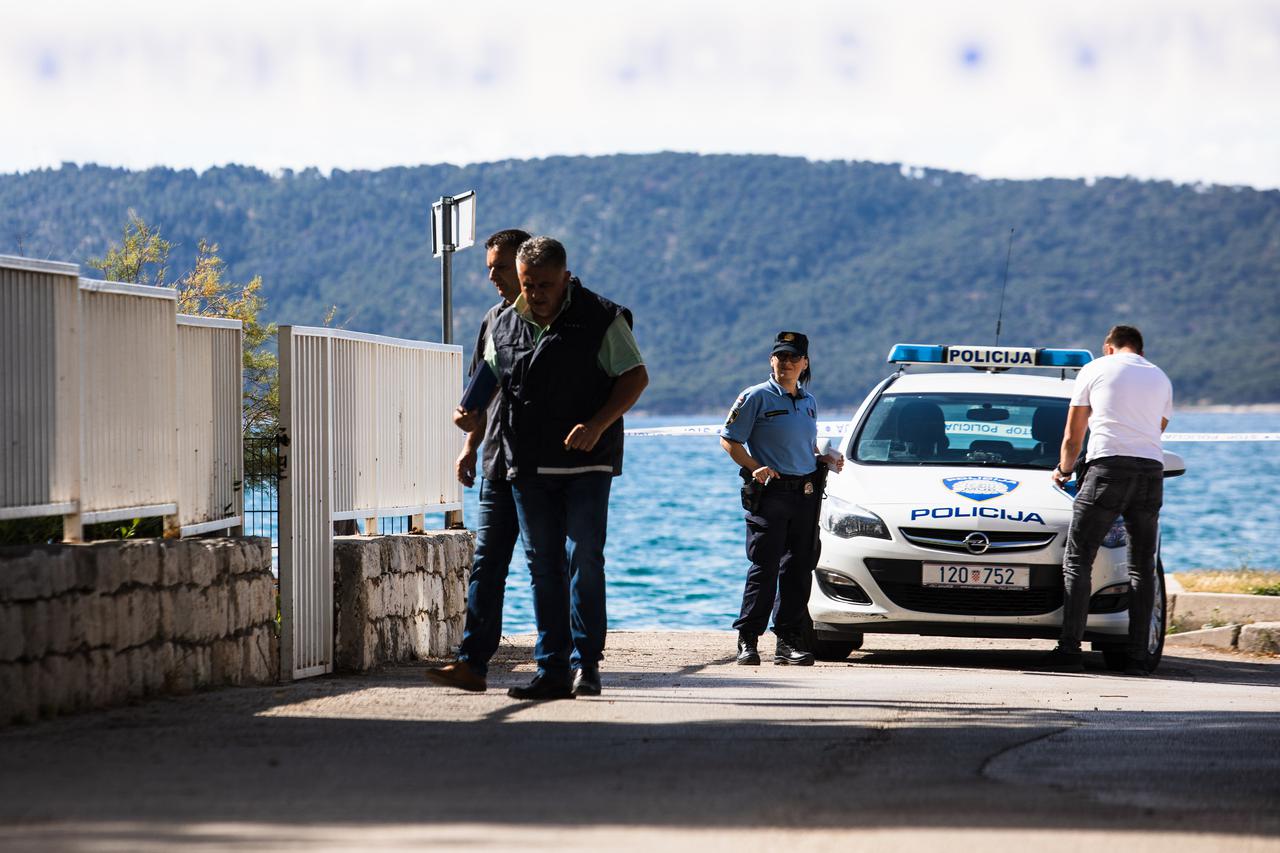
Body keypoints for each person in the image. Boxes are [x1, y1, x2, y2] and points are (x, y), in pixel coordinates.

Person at [455, 236, 648, 700]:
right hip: (527, 465)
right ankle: (553, 670)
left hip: (586, 463)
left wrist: (597, 424)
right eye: (527, 284)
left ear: (566, 277)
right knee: (543, 568)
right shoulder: (503, 322)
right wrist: (469, 423)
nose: (535, 294)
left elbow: (635, 376)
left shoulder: (601, 316)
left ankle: (589, 665)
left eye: (544, 285)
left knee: (585, 558)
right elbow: (484, 386)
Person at [425, 229, 532, 692]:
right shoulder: (492, 320)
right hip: (495, 462)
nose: (493, 276)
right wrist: (469, 447)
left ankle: (569, 657)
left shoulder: (550, 319)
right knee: (487, 564)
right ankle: (472, 662)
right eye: (488, 267)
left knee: (549, 562)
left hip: (540, 467)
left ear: (526, 267)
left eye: (501, 267)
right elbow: (480, 392)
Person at [1044, 324, 1172, 675]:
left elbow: (1074, 434)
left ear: (1108, 347)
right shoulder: (1160, 377)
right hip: (1150, 473)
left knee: (1079, 558)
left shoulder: (1095, 369)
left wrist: (1064, 470)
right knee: (1143, 566)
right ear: (1140, 351)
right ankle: (1138, 657)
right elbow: (1156, 428)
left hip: (1107, 469)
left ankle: (1069, 649)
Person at [720, 332, 843, 667]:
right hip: (770, 494)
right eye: (780, 357)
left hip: (805, 495)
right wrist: (754, 466)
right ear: (771, 361)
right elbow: (729, 440)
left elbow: (805, 448)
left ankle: (787, 641)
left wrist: (824, 458)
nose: (786, 363)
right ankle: (748, 639)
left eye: (793, 358)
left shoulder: (809, 402)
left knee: (798, 569)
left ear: (804, 364)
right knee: (764, 567)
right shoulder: (754, 397)